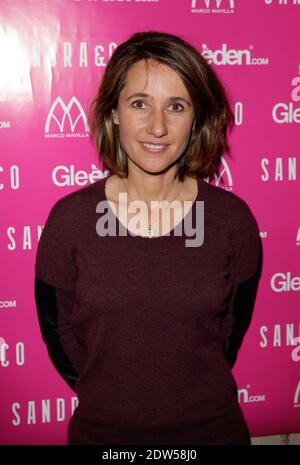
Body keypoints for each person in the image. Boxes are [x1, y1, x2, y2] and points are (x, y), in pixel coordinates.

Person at [34, 31, 262, 445]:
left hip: (213, 433)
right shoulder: (70, 221)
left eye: (176, 106)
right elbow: (59, 333)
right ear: (115, 111)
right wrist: (112, 396)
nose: (157, 127)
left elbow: (231, 329)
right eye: (140, 103)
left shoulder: (232, 221)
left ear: (196, 117)